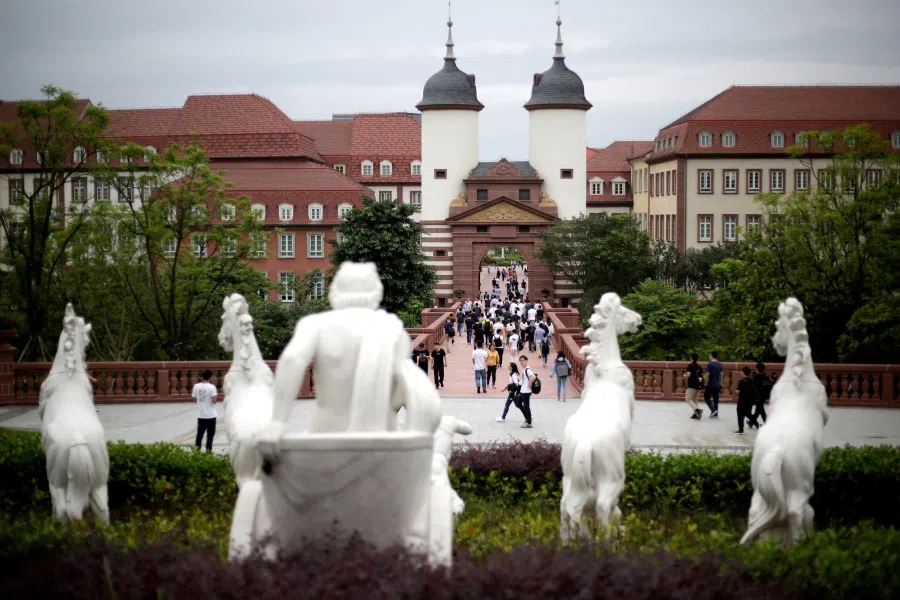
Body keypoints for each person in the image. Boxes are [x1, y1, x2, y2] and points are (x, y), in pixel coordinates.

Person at [193, 369, 218, 451]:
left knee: (199, 434)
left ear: (202, 376)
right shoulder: (212, 387)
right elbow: (214, 401)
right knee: (210, 435)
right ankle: (208, 452)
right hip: (211, 415)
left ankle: (197, 451)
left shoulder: (196, 386)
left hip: (201, 415)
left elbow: (194, 399)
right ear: (210, 377)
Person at [734, 365, 756, 435]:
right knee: (748, 414)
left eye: (741, 372)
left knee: (740, 415)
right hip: (750, 400)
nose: (740, 373)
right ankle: (758, 425)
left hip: (742, 400)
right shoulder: (752, 380)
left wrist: (735, 390)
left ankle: (741, 430)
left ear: (743, 373)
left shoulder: (741, 381)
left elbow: (737, 391)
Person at [750, 362, 772, 428]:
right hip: (763, 396)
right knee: (760, 410)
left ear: (757, 369)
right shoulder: (766, 377)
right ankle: (752, 422)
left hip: (758, 396)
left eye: (756, 368)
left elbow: (754, 387)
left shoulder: (756, 377)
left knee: (760, 410)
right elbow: (768, 387)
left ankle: (753, 422)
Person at [684, 353, 704, 420]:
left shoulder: (690, 365)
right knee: (695, 399)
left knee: (688, 399)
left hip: (692, 384)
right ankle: (695, 414)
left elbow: (688, 374)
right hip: (699, 384)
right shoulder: (699, 366)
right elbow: (701, 375)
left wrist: (685, 376)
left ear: (691, 358)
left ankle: (698, 410)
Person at [517, 355, 535, 428]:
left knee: (526, 406)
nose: (521, 362)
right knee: (518, 403)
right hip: (523, 391)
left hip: (526, 391)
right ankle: (528, 417)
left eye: (523, 360)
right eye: (520, 360)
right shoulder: (524, 370)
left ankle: (529, 422)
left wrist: (529, 384)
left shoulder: (527, 370)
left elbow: (533, 376)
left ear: (526, 361)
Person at [704, 351, 723, 418]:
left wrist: (705, 383)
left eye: (709, 355)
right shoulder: (720, 364)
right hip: (717, 384)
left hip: (710, 384)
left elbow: (707, 374)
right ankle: (716, 414)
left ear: (711, 356)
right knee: (716, 399)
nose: (709, 356)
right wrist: (721, 383)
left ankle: (713, 410)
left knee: (706, 397)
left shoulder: (709, 364)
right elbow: (721, 375)